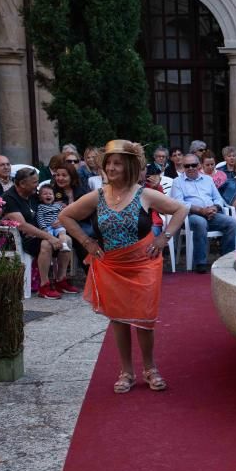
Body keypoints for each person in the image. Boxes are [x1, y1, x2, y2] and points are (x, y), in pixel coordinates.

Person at [60, 140, 188, 393]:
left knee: (145, 318)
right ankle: (126, 372)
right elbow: (65, 216)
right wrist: (86, 241)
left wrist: (165, 237)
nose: (111, 167)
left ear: (130, 166)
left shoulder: (145, 194)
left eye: (117, 163)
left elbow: (181, 209)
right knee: (118, 319)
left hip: (144, 263)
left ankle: (150, 369)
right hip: (112, 265)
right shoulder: (97, 196)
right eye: (108, 163)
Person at [2, 168, 75, 299]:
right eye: (35, 182)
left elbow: (49, 204)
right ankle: (44, 285)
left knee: (67, 240)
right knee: (47, 244)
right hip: (21, 238)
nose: (38, 185)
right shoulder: (10, 197)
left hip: (42, 232)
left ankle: (60, 280)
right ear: (23, 184)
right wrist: (50, 237)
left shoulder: (33, 195)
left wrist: (60, 213)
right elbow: (22, 226)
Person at [169, 153, 236, 273]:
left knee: (232, 222)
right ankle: (200, 262)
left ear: (199, 166)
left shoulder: (207, 179)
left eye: (193, 165)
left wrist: (215, 208)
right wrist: (201, 211)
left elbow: (218, 198)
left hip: (211, 213)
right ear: (183, 167)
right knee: (200, 222)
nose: (190, 168)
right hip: (190, 215)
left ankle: (226, 259)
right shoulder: (177, 182)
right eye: (187, 166)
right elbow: (179, 204)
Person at [36, 184, 74, 257]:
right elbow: (40, 218)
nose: (48, 195)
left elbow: (63, 214)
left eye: (50, 194)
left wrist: (61, 219)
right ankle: (52, 253)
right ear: (40, 198)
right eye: (45, 194)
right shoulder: (40, 207)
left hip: (58, 226)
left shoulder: (57, 206)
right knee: (48, 238)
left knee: (62, 233)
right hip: (48, 227)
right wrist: (43, 228)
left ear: (54, 197)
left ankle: (64, 245)